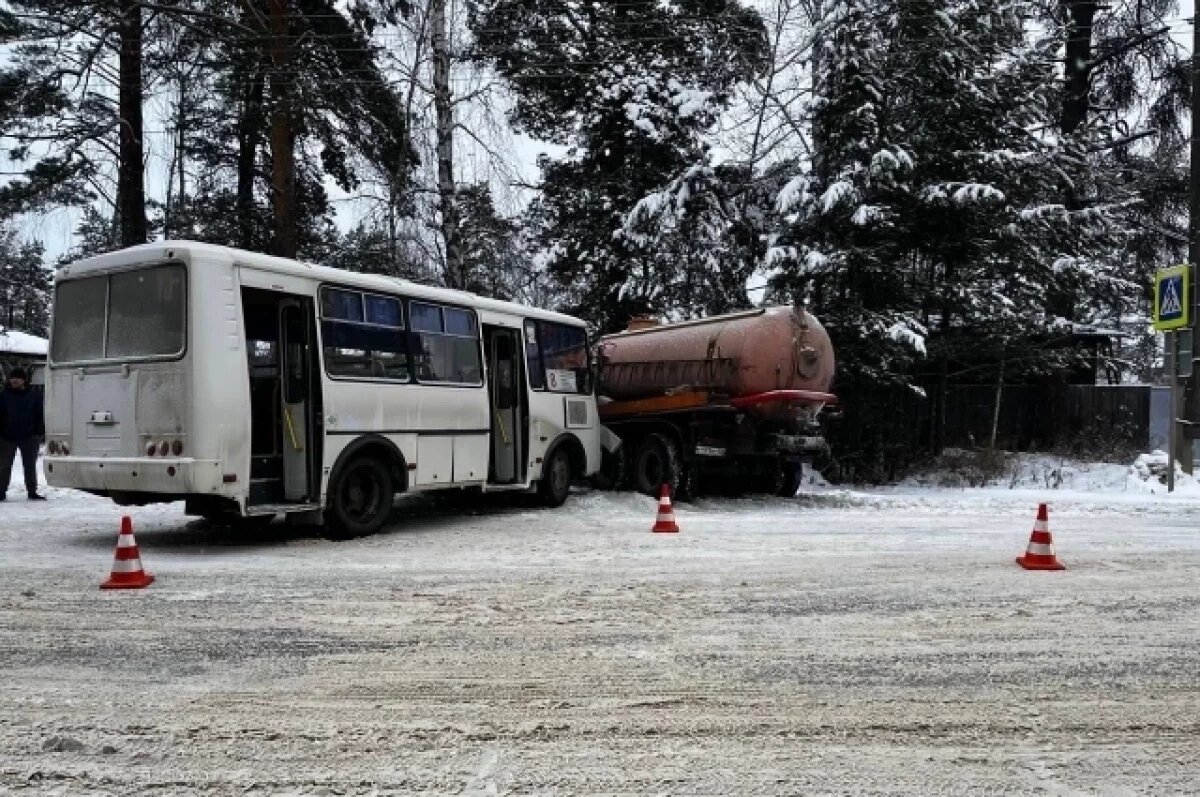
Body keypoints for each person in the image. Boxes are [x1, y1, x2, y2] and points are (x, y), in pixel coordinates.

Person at [0, 367, 46, 501]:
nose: (15, 380)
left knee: (30, 465)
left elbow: (39, 413)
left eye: (18, 378)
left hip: (30, 437)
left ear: (24, 380)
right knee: (3, 466)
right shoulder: (3, 395)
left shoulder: (34, 395)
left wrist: (38, 431)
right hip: (6, 437)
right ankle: (1, 491)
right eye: (13, 378)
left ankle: (32, 491)